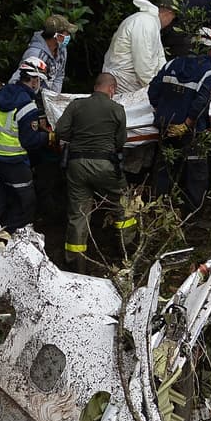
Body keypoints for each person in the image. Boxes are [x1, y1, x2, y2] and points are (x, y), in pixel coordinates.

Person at [53, 73, 134, 273]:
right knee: (124, 204)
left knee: (79, 213)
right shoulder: (117, 109)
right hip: (104, 164)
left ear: (95, 86)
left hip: (77, 165)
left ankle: (76, 263)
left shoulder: (76, 105)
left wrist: (78, 137)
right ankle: (126, 252)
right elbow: (120, 142)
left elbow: (60, 130)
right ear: (112, 89)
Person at [148, 27, 211, 213]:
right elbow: (201, 102)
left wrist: (163, 114)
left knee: (165, 168)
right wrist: (186, 124)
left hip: (166, 126)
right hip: (192, 130)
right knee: (196, 171)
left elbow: (153, 92)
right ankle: (193, 213)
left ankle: (158, 210)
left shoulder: (171, 64)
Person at [0, 57, 54, 233]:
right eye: (40, 81)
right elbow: (30, 141)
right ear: (34, 80)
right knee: (25, 204)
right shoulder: (27, 106)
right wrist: (49, 137)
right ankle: (10, 240)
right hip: (13, 162)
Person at [102, 0, 176, 92]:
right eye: (172, 19)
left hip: (129, 81)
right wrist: (156, 89)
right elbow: (143, 65)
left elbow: (159, 57)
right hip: (122, 82)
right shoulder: (145, 23)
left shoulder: (150, 22)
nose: (170, 23)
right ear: (168, 13)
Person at [8, 14, 77, 93]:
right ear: (57, 35)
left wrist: (55, 96)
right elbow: (16, 80)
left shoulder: (62, 50)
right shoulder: (35, 53)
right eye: (67, 33)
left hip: (48, 96)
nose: (69, 36)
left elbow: (59, 76)